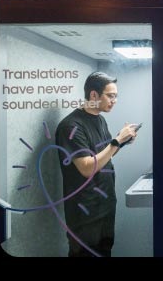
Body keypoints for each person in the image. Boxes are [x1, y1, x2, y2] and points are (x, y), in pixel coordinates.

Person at [54, 71, 138, 257]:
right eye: (110, 95)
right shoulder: (71, 126)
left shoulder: (99, 119)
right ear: (93, 95)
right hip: (85, 213)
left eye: (116, 96)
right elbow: (86, 167)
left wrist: (122, 141)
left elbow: (103, 155)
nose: (114, 100)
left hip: (105, 205)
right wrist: (116, 141)